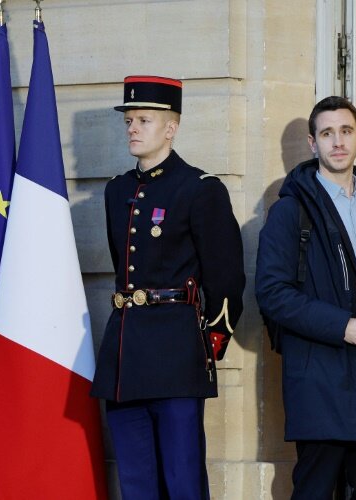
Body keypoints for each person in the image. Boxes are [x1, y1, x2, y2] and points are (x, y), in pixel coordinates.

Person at [90, 75, 245, 499]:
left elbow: (226, 278)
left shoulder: (200, 190)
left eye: (143, 120)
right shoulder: (117, 191)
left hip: (177, 354)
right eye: (129, 121)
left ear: (171, 128)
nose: (133, 129)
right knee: (137, 484)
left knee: (183, 482)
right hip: (125, 357)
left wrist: (209, 343)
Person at [255, 96, 356, 499]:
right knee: (316, 490)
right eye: (327, 134)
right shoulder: (290, 211)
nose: (337, 142)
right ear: (312, 143)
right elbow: (271, 293)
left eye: (346, 132)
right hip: (320, 374)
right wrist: (341, 326)